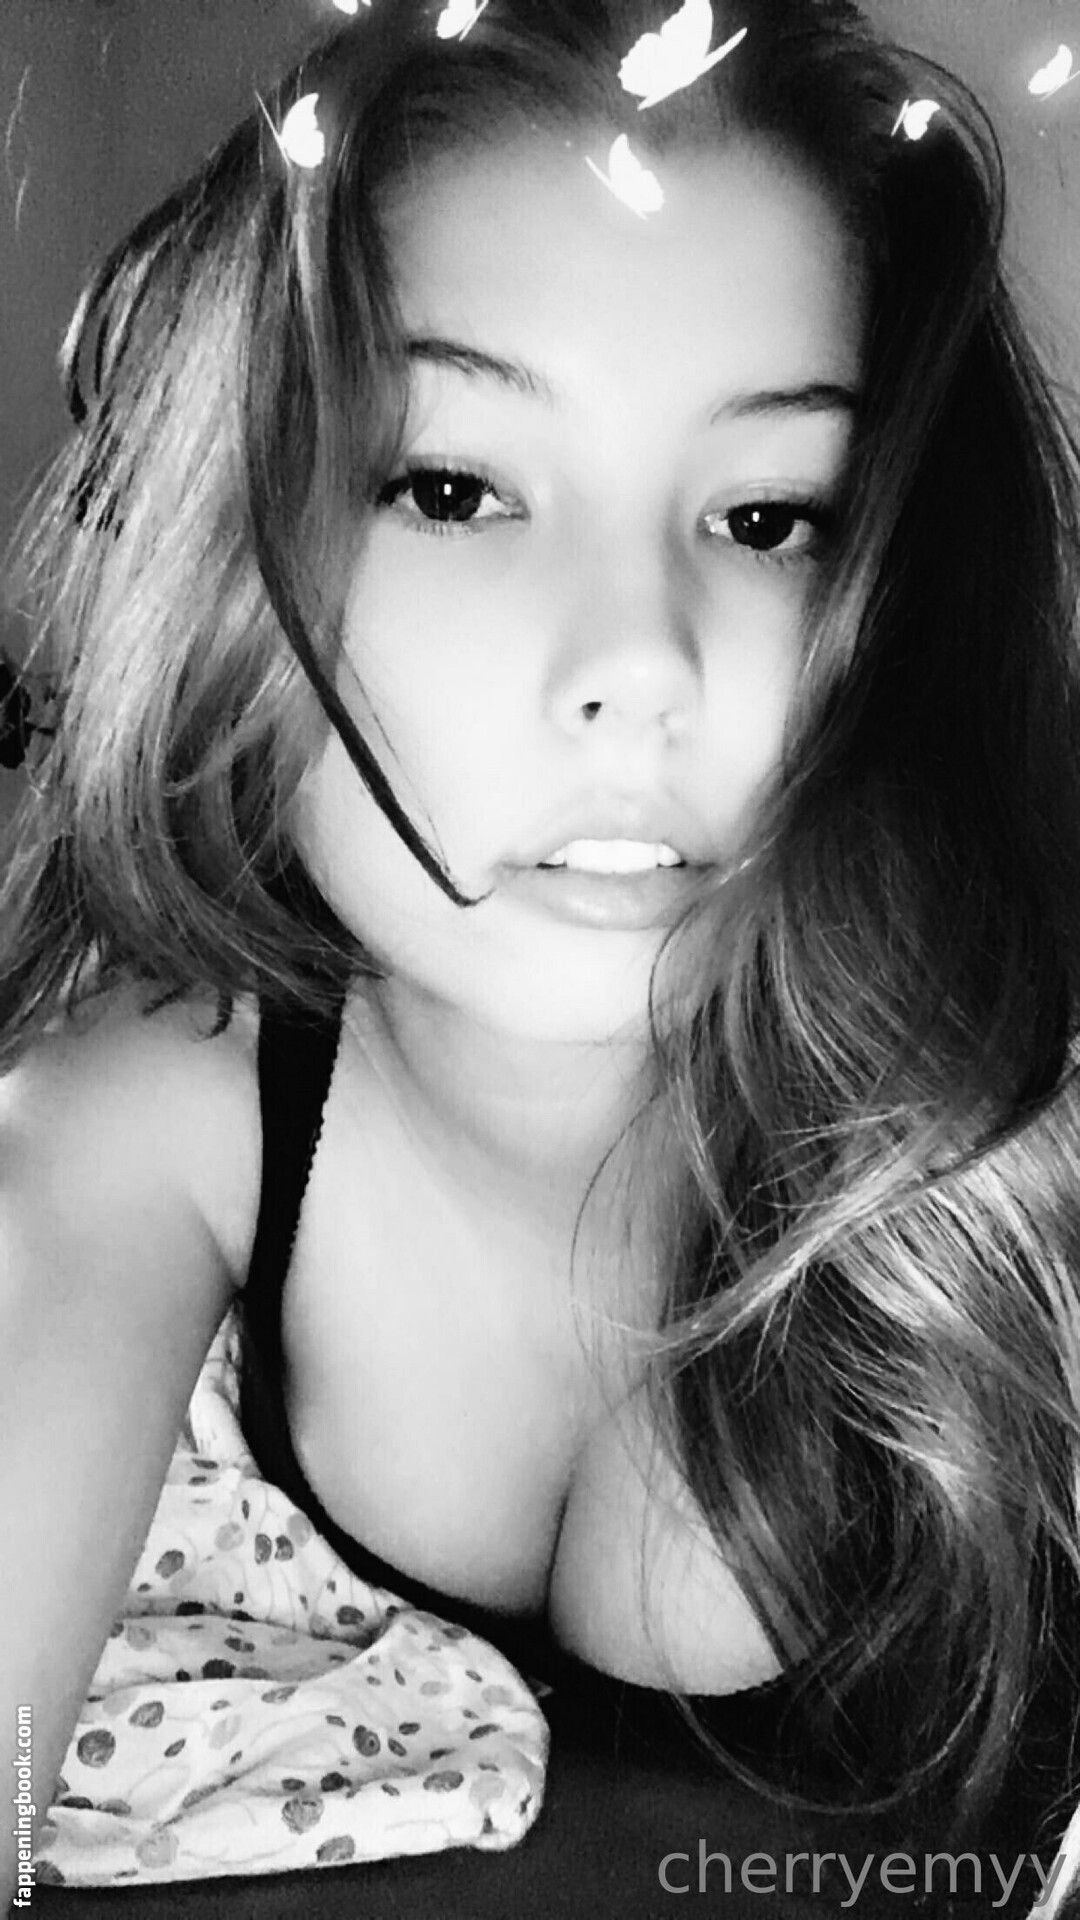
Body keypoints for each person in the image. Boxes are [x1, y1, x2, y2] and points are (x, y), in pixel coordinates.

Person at [3, 0, 1080, 1904]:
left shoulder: (1017, 1130)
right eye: (454, 489)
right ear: (226, 544)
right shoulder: (145, 1112)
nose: (640, 663)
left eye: (768, 517)